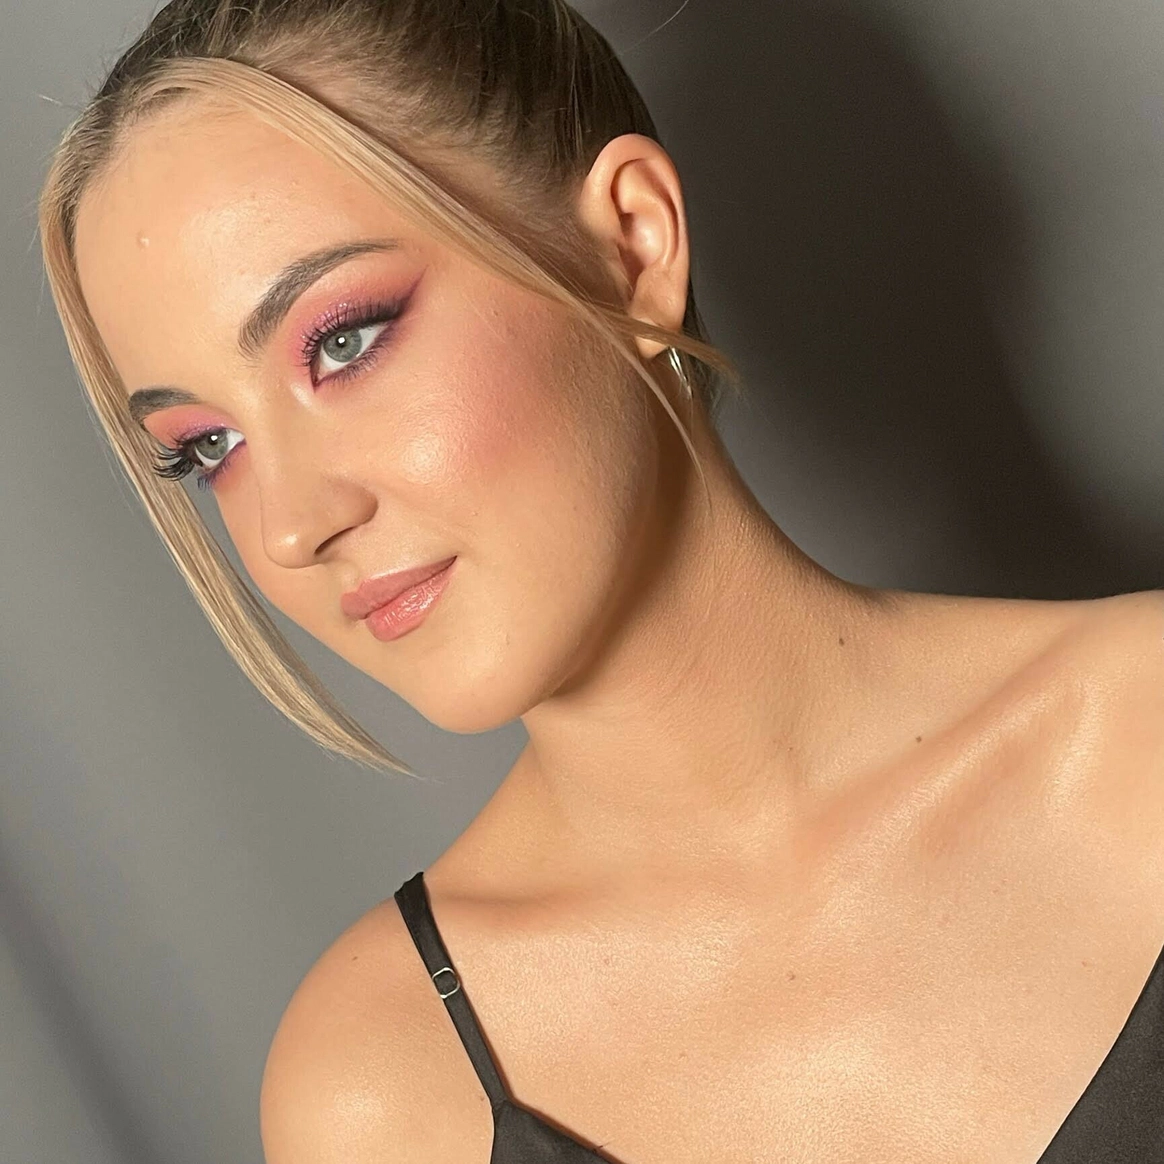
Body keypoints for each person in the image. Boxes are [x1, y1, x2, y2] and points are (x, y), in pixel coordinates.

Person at [38, 1, 1164, 1161]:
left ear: (633, 244)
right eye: (207, 448)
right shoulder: (384, 1089)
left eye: (344, 340)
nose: (290, 527)